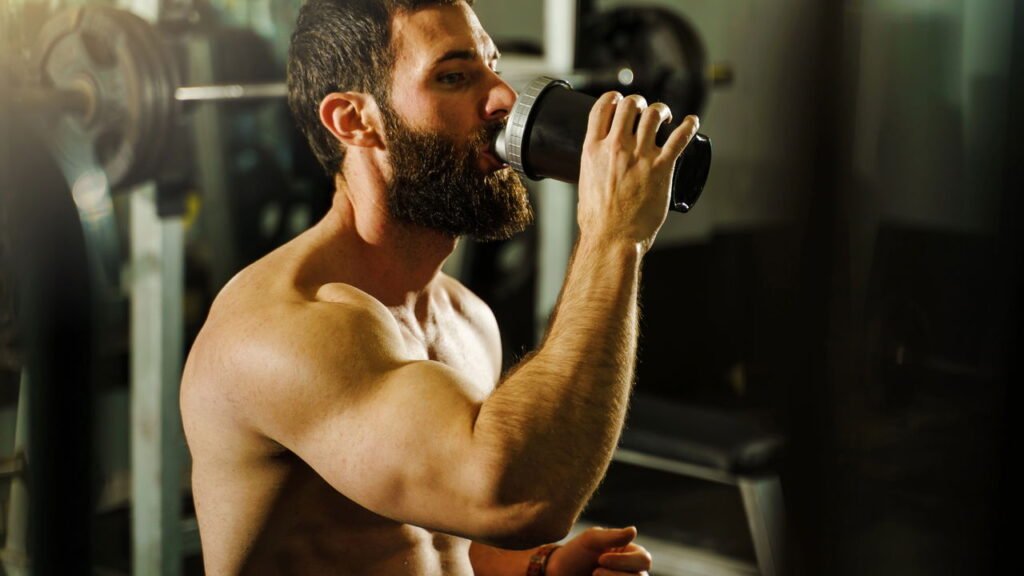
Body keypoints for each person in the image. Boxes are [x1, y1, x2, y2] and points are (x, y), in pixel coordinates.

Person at [180, 0, 699, 573]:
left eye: (492, 67)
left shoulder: (464, 315)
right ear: (353, 121)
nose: (503, 97)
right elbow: (519, 500)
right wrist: (613, 236)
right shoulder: (283, 332)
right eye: (453, 77)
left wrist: (540, 569)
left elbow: (458, 540)